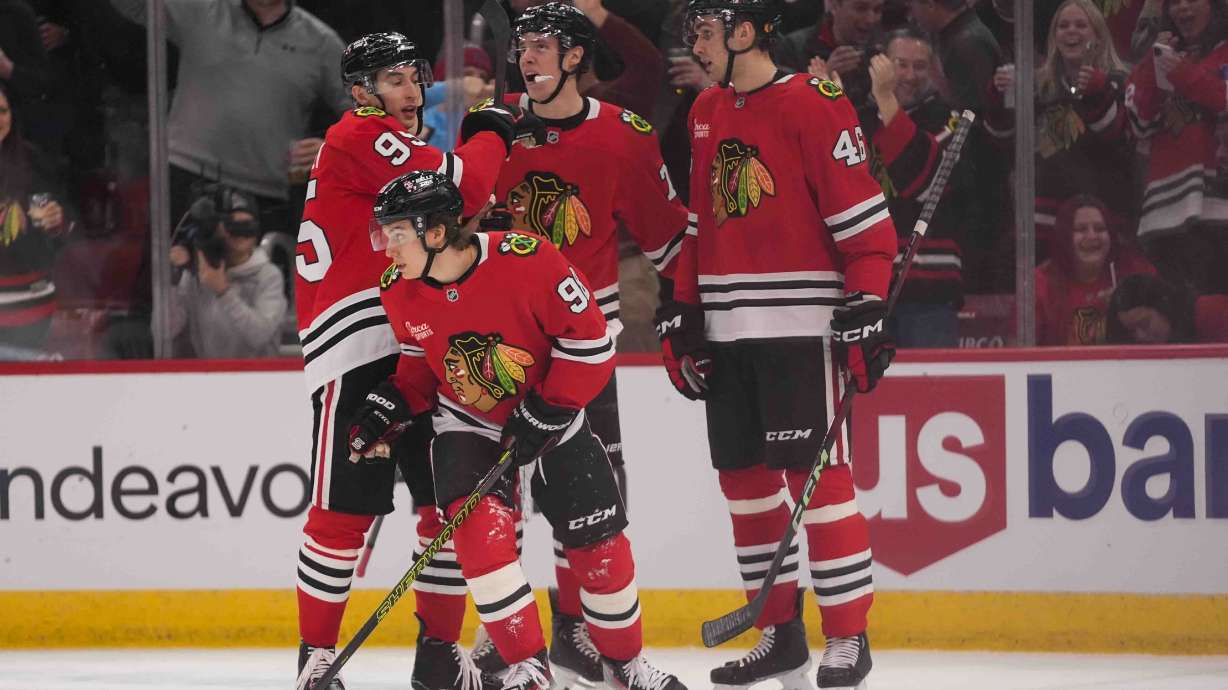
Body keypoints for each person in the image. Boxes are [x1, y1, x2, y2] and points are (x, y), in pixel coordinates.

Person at [355, 169, 687, 690]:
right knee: (480, 538)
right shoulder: (398, 290)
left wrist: (551, 407)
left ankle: (625, 665)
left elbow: (593, 343)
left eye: (396, 233)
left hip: (554, 417)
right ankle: (529, 665)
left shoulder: (527, 259)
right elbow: (422, 365)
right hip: (468, 424)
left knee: (599, 546)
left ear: (436, 233)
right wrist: (394, 399)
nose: (387, 247)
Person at [659, 1, 897, 688]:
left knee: (818, 486)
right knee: (746, 488)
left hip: (802, 328)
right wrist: (683, 310)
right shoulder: (706, 111)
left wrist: (869, 299)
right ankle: (779, 635)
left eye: (705, 33)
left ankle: (848, 637)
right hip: (731, 333)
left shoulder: (814, 103)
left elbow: (866, 222)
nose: (695, 46)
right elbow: (701, 223)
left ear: (743, 32)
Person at [291, 32, 539, 690]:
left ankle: (437, 657)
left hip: (419, 337)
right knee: (345, 511)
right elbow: (463, 184)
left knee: (444, 508)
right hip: (358, 343)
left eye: (414, 79)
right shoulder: (358, 135)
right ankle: (314, 657)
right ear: (360, 91)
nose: (410, 93)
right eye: (395, 80)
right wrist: (491, 126)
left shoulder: (379, 144)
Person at [468, 4, 693, 685]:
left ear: (574, 57)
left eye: (542, 45)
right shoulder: (493, 128)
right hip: (499, 347)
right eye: (521, 46)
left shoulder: (623, 136)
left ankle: (576, 630)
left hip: (583, 350)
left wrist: (686, 314)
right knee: (494, 497)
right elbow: (453, 226)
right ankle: (495, 635)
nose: (525, 57)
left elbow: (667, 240)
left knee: (592, 499)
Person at [107, 0, 351, 238]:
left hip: (265, 197)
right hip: (183, 180)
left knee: (263, 278)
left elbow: (371, 114)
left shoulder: (321, 42)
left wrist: (332, 150)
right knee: (165, 277)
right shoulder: (202, 9)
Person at [817, 28, 972, 347]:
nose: (910, 75)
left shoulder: (949, 119)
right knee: (866, 396)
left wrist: (886, 99)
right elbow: (829, 192)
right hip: (860, 287)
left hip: (928, 289)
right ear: (880, 65)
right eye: (901, 64)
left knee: (931, 395)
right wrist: (829, 113)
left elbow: (925, 183)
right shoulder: (855, 117)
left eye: (920, 66)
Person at [987, 0, 1134, 258]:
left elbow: (1119, 139)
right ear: (1054, 37)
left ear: (1098, 35)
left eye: (1080, 25)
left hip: (1100, 212)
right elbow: (1005, 141)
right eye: (1063, 26)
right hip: (1045, 212)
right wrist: (1000, 100)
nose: (1071, 31)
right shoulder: (1039, 87)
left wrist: (1097, 92)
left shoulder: (1118, 82)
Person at [1125, 0, 1228, 296]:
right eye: (1174, 2)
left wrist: (1184, 75)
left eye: (1192, 0)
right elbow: (1137, 125)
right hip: (1164, 216)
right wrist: (1152, 67)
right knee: (1179, 320)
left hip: (1219, 209)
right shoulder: (1161, 57)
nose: (1183, 9)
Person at [166, 186, 287, 358]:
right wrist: (173, 279)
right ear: (217, 228)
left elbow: (260, 336)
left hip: (259, 378)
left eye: (247, 225)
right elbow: (166, 331)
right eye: (233, 225)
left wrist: (223, 292)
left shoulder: (269, 276)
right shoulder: (198, 272)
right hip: (208, 377)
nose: (241, 233)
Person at [0, 80, 70, 356]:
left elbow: (52, 227)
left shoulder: (32, 160)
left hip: (29, 307)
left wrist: (55, 222)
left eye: (3, 111)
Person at [1034, 195, 1154, 346]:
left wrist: (1131, 308)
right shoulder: (1042, 281)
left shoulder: (1135, 270)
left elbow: (1165, 333)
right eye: (1081, 229)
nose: (1092, 236)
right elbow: (1018, 350)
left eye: (1100, 229)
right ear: (1064, 236)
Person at [774, 0, 887, 106]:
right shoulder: (792, 47)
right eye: (861, 9)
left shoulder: (885, 49)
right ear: (835, 5)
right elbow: (781, 106)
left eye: (877, 10)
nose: (870, 19)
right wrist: (821, 83)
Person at [1106, 273, 1228, 343]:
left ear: (1163, 307)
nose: (1140, 336)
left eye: (1144, 324)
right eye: (1132, 331)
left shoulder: (1211, 311)